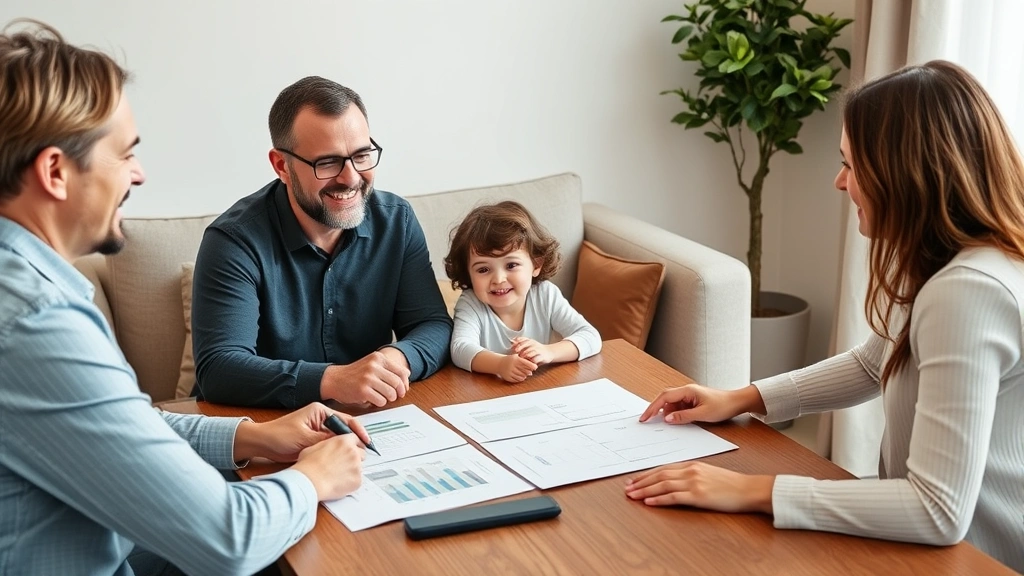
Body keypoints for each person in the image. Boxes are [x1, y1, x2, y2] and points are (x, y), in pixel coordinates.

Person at [0, 21, 371, 575]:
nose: (139, 174)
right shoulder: (36, 322)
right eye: (124, 154)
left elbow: (117, 426)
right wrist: (313, 478)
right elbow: (227, 539)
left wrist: (254, 436)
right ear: (55, 171)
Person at [625, 60, 1024, 572]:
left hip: (978, 558)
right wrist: (740, 398)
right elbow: (871, 365)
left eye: (852, 166)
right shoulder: (943, 257)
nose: (839, 183)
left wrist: (751, 490)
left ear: (906, 174)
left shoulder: (968, 291)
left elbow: (937, 510)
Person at [191, 77, 453, 409]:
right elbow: (219, 369)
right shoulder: (233, 242)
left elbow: (433, 324)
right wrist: (332, 380)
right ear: (282, 166)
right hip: (263, 426)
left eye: (361, 155)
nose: (351, 178)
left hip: (370, 419)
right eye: (327, 162)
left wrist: (396, 359)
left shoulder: (396, 221)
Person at [444, 201, 601, 382]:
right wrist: (501, 365)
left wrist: (548, 352)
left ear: (536, 264)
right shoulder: (471, 303)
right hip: (486, 394)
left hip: (536, 389)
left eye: (511, 265)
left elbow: (590, 336)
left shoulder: (545, 295)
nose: (498, 279)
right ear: (468, 273)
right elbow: (460, 349)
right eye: (483, 270)